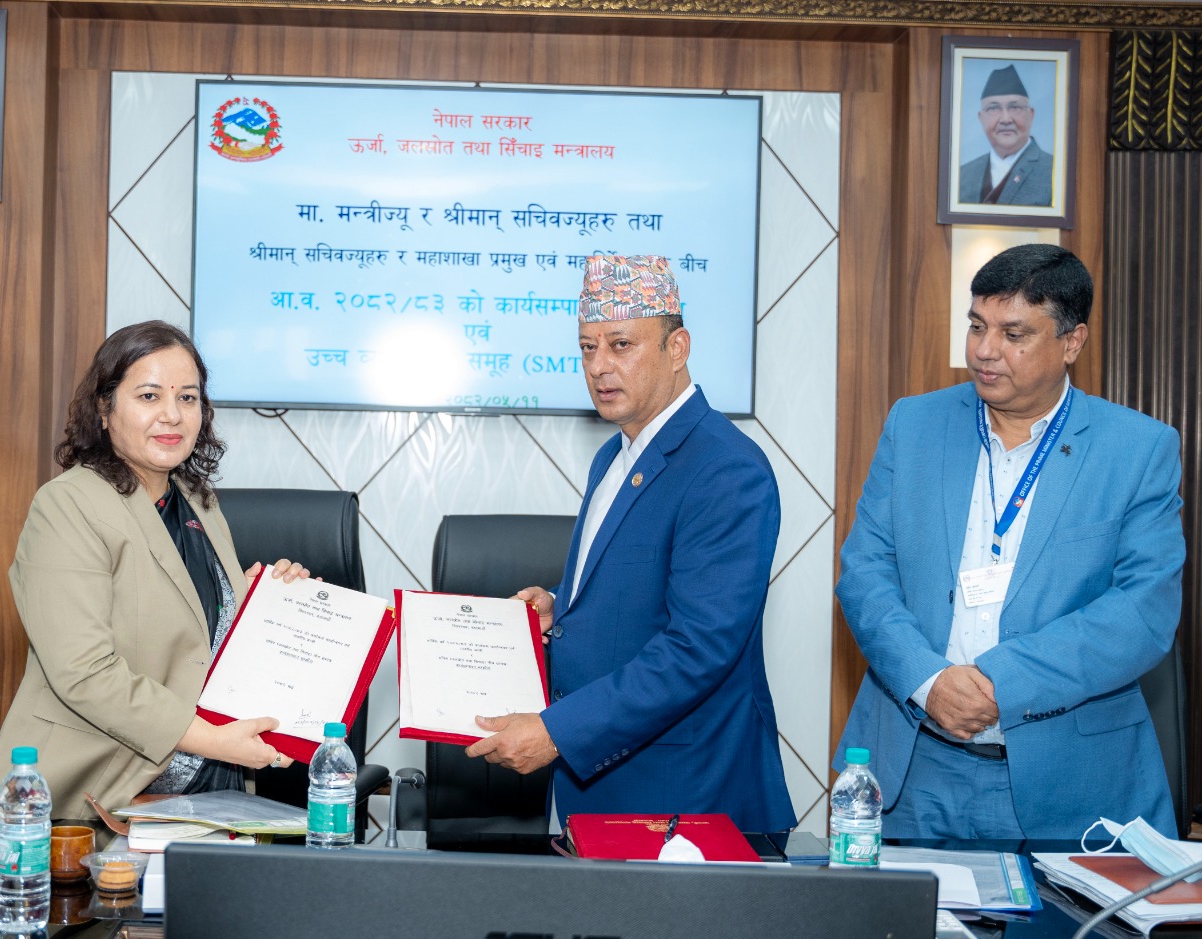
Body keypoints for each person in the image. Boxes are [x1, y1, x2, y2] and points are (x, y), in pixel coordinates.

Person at [836, 244, 1183, 839]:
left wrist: (1003, 683)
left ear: (1072, 341)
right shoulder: (914, 425)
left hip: (1070, 780)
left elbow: (1142, 612)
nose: (984, 350)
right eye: (977, 326)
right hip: (915, 767)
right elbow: (866, 571)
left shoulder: (1137, 449)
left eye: (1013, 333)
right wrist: (929, 681)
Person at [466, 255, 796, 833]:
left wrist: (558, 732)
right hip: (605, 798)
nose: (599, 366)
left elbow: (697, 648)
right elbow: (634, 591)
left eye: (621, 345)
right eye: (587, 347)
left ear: (677, 348)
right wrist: (558, 605)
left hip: (687, 804)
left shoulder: (727, 469)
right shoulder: (613, 456)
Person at [0, 321, 310, 813]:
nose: (172, 415)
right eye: (150, 396)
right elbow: (85, 673)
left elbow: (184, 625)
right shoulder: (68, 505)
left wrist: (258, 600)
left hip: (203, 790)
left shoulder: (197, 500)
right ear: (104, 408)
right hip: (95, 793)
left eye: (188, 398)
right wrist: (214, 740)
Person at [957, 64, 1054, 206]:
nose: (1005, 119)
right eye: (993, 108)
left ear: (1031, 115)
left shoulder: (1055, 172)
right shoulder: (962, 175)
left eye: (1015, 107)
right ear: (981, 118)